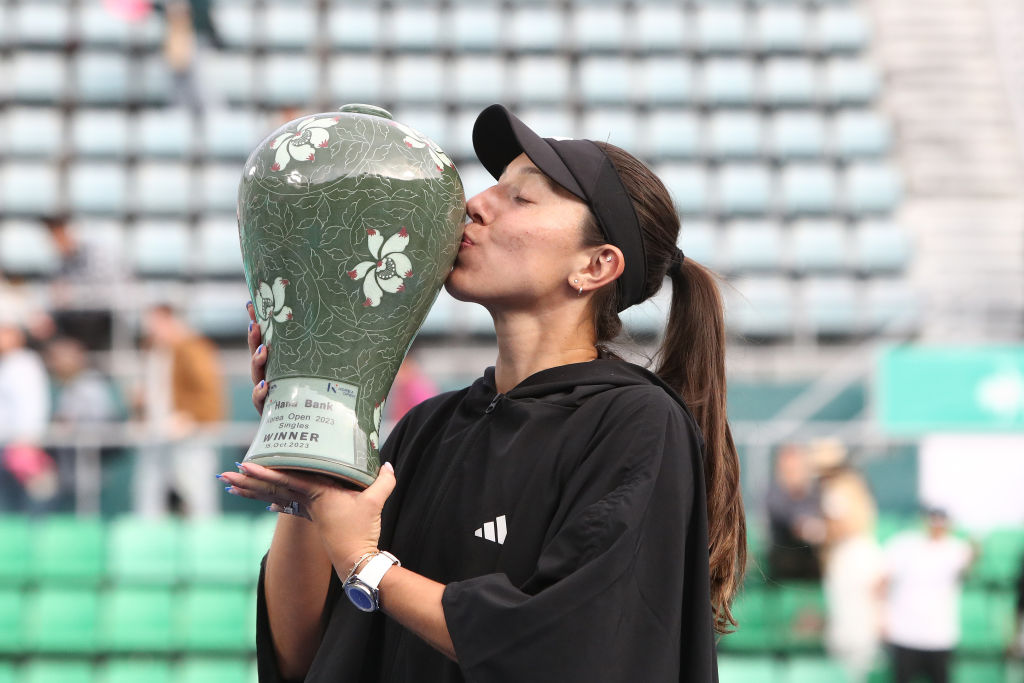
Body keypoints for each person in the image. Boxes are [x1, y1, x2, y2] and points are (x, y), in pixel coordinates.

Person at [220, 104, 746, 682]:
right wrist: (312, 475)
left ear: (596, 266)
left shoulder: (636, 423)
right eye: (493, 187)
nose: (475, 204)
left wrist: (366, 565)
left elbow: (567, 648)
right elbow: (303, 659)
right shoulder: (427, 429)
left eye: (522, 197)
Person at [135, 304, 225, 518]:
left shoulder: (194, 349)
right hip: (158, 433)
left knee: (198, 494)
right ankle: (148, 535)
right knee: (150, 494)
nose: (152, 330)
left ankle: (203, 536)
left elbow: (209, 391)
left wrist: (192, 417)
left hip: (191, 434)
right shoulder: (154, 351)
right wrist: (140, 408)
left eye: (156, 324)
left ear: (171, 321)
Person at [882, 507, 975, 683]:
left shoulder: (956, 549)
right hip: (905, 633)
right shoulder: (905, 545)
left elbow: (968, 569)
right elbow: (883, 581)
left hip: (939, 636)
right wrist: (882, 616)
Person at [820, 463, 884, 683]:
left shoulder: (838, 492)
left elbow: (838, 527)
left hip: (851, 563)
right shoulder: (864, 549)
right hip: (855, 561)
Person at [766, 443, 826, 581]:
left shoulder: (815, 492)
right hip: (786, 560)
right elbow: (793, 522)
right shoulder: (774, 494)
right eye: (788, 470)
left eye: (795, 469)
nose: (792, 474)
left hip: (813, 560)